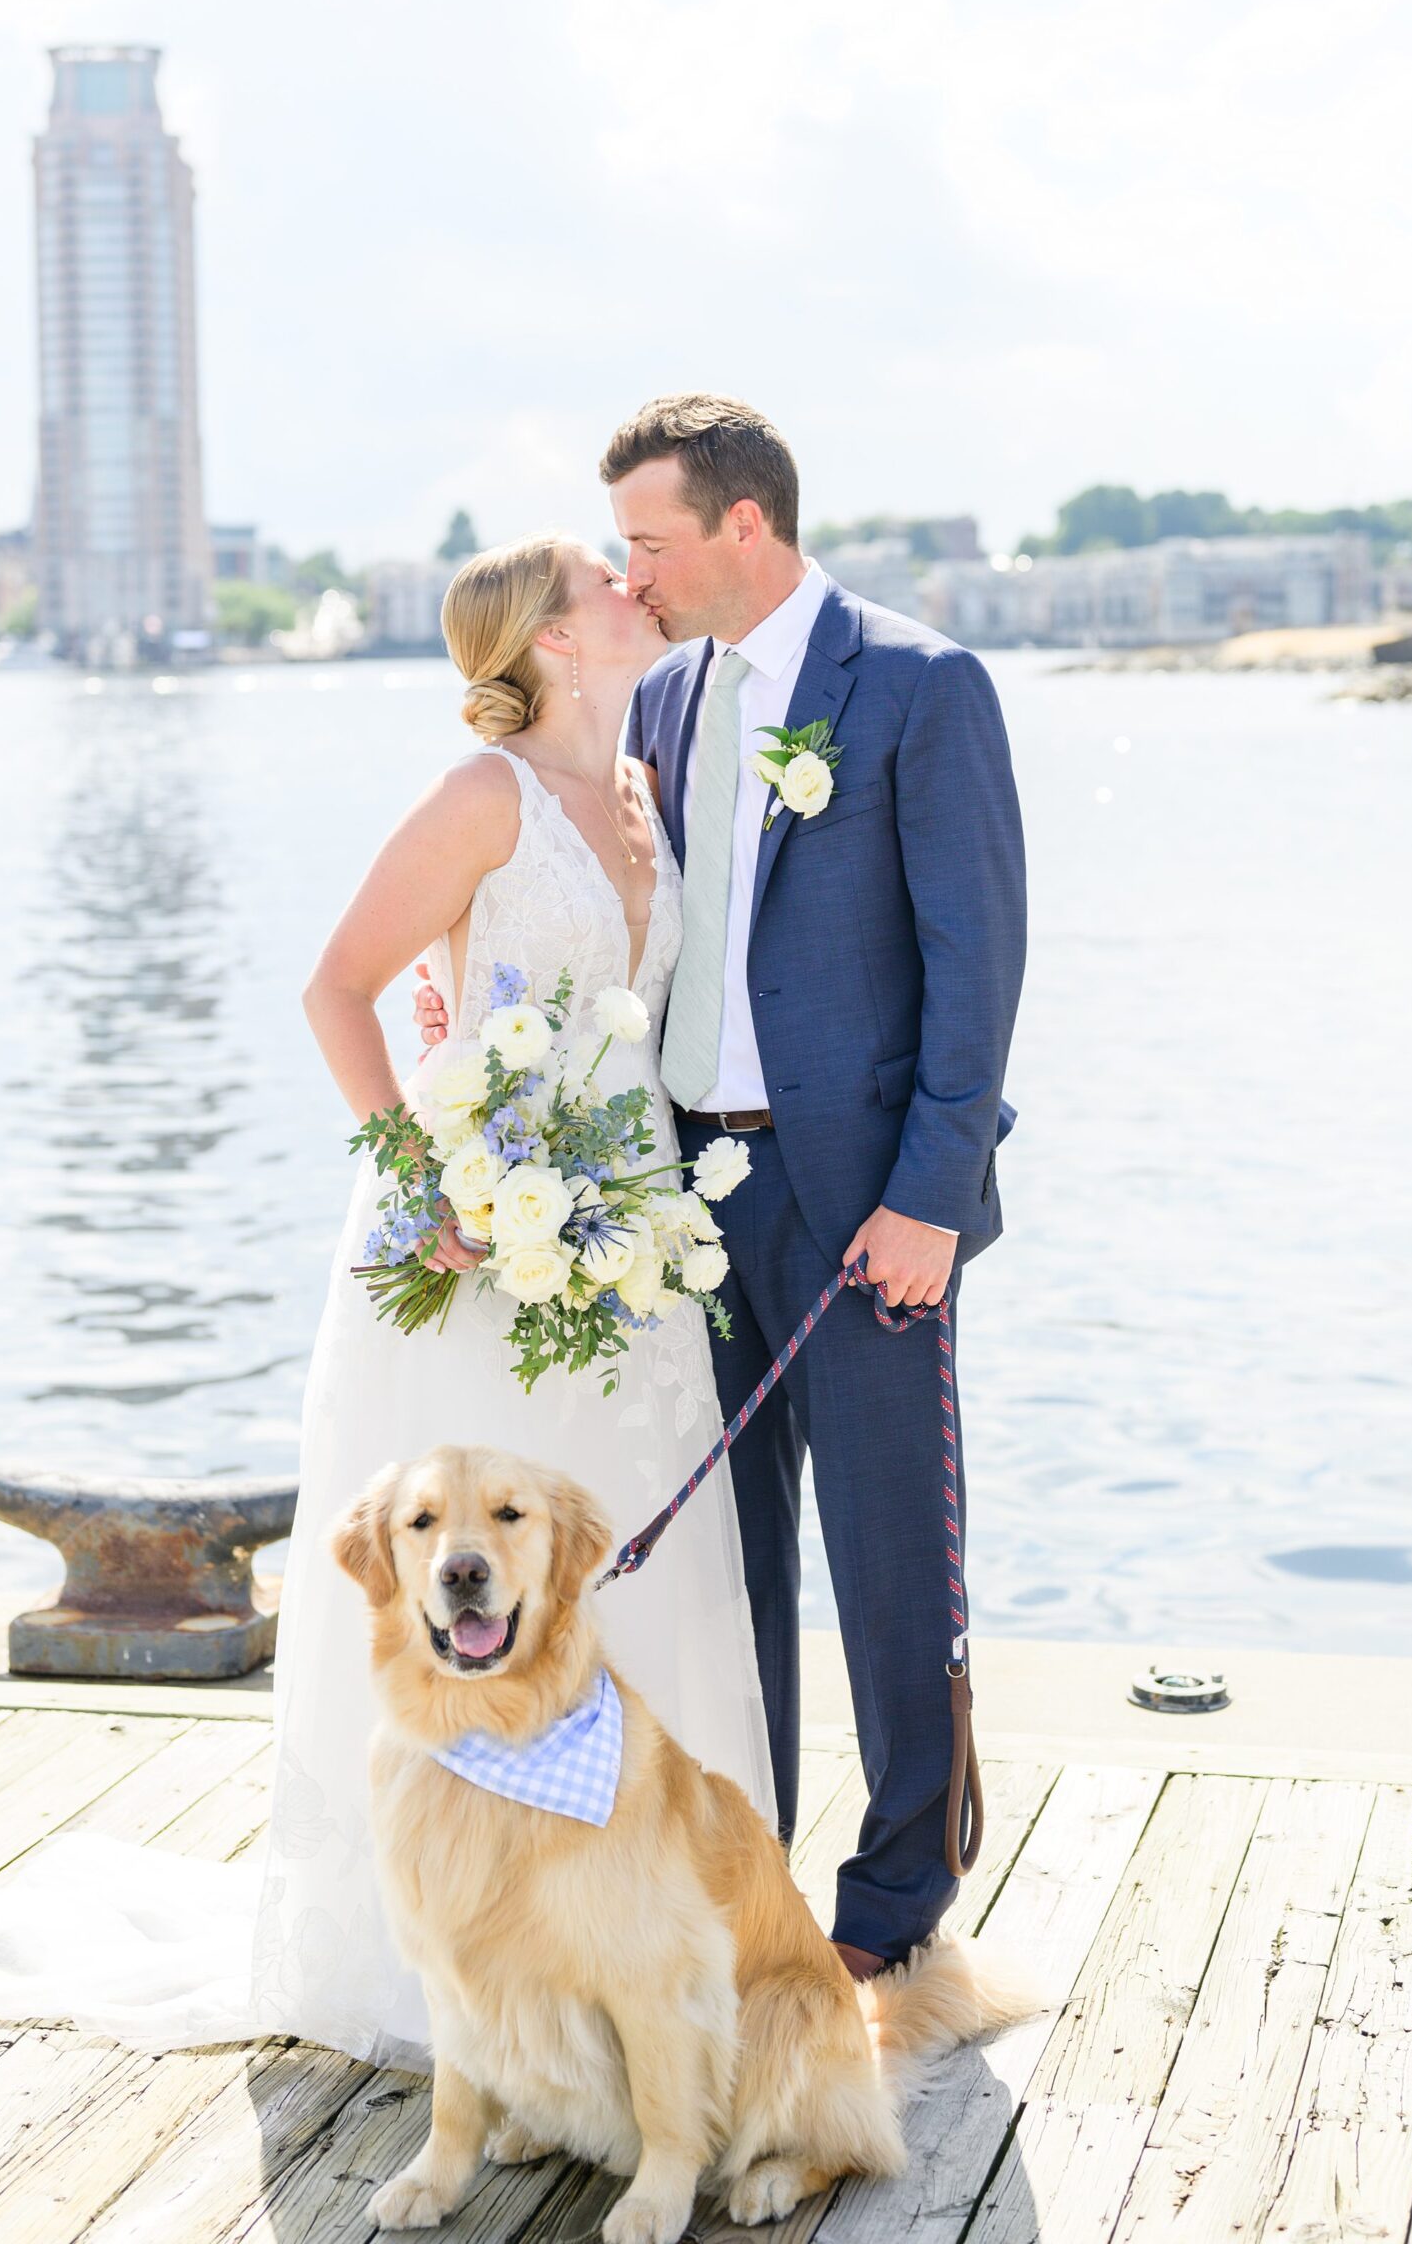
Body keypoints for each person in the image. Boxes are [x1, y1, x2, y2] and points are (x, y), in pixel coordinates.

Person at [0, 532, 773, 2065]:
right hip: (478, 1246)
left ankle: (641, 1941)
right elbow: (337, 985)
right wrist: (437, 1181)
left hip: (626, 1231)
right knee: (470, 1584)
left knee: (633, 1559)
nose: (631, 588)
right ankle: (443, 1956)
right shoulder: (486, 799)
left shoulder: (649, 795)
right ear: (550, 638)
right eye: (606, 581)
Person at [417, 396, 1025, 1979]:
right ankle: (747, 1884)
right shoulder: (663, 694)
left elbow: (978, 969)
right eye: (621, 549)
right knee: (726, 1568)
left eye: (655, 543)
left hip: (870, 1203)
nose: (640, 574)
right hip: (681, 1203)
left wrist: (932, 1198)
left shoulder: (915, 686)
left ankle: (892, 1917)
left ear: (744, 526)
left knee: (893, 1561)